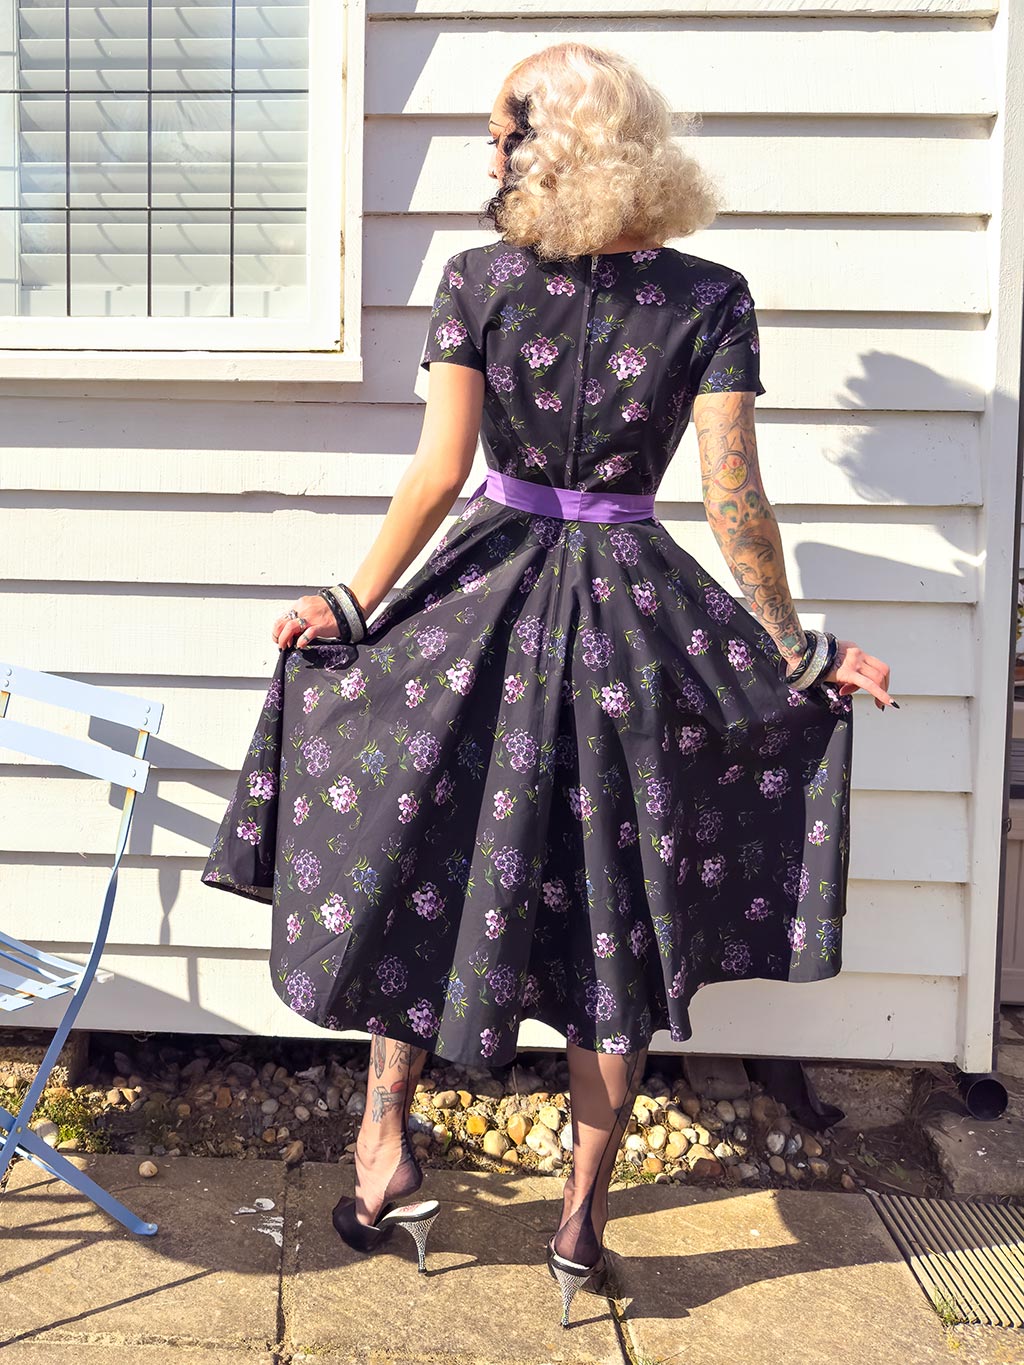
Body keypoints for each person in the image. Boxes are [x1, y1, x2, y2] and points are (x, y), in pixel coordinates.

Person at [202, 41, 894, 1328]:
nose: (488, 159)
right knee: (612, 914)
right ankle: (581, 1226)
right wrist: (790, 648)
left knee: (421, 854)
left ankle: (384, 1151)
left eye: (500, 137)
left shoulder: (478, 282)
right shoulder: (710, 294)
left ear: (554, 147)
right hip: (635, 621)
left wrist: (352, 606)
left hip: (485, 607)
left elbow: (437, 473)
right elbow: (733, 498)